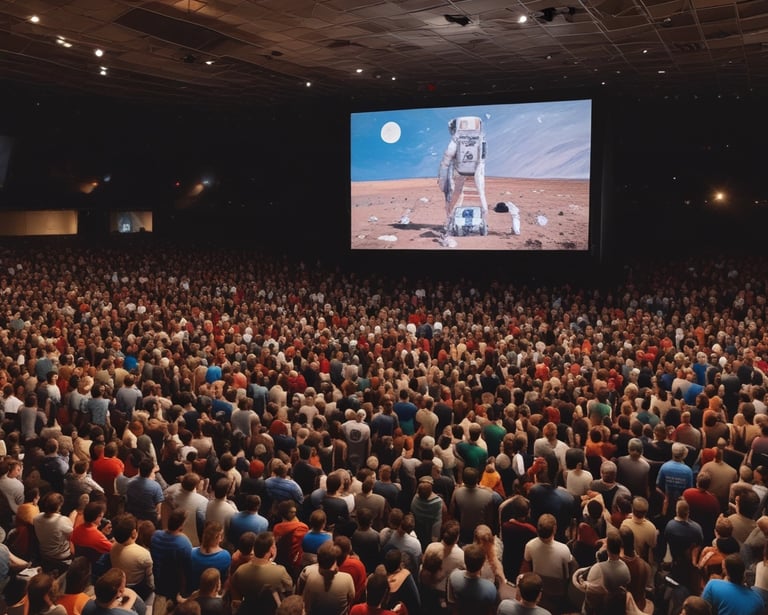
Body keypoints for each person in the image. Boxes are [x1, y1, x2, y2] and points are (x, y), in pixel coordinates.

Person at [229, 531, 294, 615]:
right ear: (271, 550)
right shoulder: (280, 571)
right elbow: (289, 589)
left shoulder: (240, 570)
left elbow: (234, 589)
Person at [300, 541, 355, 615]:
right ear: (335, 561)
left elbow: (300, 592)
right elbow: (351, 599)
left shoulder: (308, 572)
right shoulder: (347, 578)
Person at [446, 543, 498, 615]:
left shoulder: (453, 576)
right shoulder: (490, 587)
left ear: (465, 560)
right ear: (482, 564)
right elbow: (490, 610)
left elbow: (451, 602)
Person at [186, 521, 231, 596]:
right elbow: (226, 579)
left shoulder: (191, 553)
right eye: (221, 535)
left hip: (193, 592)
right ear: (219, 538)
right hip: (213, 593)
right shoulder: (225, 556)